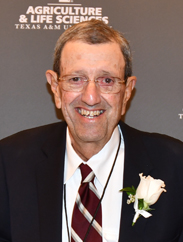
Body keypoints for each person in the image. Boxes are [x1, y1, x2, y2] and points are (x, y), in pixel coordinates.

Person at [0, 19, 183, 242]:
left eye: (107, 80)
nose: (90, 97)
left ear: (127, 92)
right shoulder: (8, 165)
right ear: (56, 89)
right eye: (76, 79)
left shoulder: (176, 166)